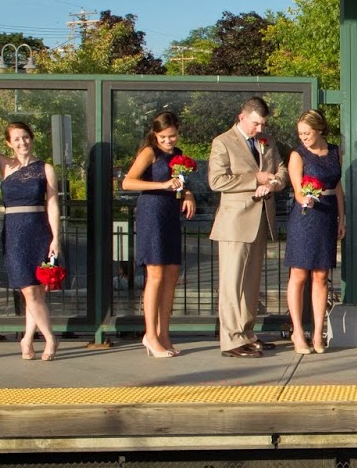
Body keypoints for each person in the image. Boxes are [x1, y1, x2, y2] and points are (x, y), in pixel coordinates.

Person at [209, 97, 287, 359]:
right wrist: (255, 178)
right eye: (256, 124)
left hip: (260, 220)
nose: (260, 130)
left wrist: (273, 183)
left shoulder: (268, 141)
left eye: (263, 124)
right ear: (242, 116)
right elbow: (217, 181)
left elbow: (282, 170)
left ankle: (246, 333)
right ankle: (230, 340)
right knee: (232, 284)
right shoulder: (222, 142)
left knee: (251, 284)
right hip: (234, 223)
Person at [120, 111, 196, 358]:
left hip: (170, 215)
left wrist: (187, 194)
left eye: (172, 136)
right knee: (155, 274)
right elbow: (128, 182)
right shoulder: (150, 152)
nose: (168, 141)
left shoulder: (178, 154)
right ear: (155, 134)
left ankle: (164, 333)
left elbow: (180, 182)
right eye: (163, 136)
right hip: (151, 214)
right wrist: (161, 185)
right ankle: (150, 335)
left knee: (172, 274)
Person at [0, 121, 62, 361]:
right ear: (9, 143)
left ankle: (27, 339)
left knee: (37, 292)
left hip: (38, 231)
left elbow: (52, 204)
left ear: (32, 138)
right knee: (29, 290)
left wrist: (55, 238)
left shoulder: (46, 168)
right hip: (14, 233)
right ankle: (50, 338)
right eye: (17, 139)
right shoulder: (4, 163)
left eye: (26, 137)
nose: (22, 142)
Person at [284, 108, 344, 356]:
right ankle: (298, 331)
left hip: (328, 214)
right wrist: (304, 200)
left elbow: (338, 186)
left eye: (307, 133)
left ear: (319, 130)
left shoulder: (334, 152)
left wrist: (342, 217)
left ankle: (318, 332)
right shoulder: (298, 155)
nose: (303, 137)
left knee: (321, 275)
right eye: (300, 134)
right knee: (299, 274)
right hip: (306, 216)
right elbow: (297, 189)